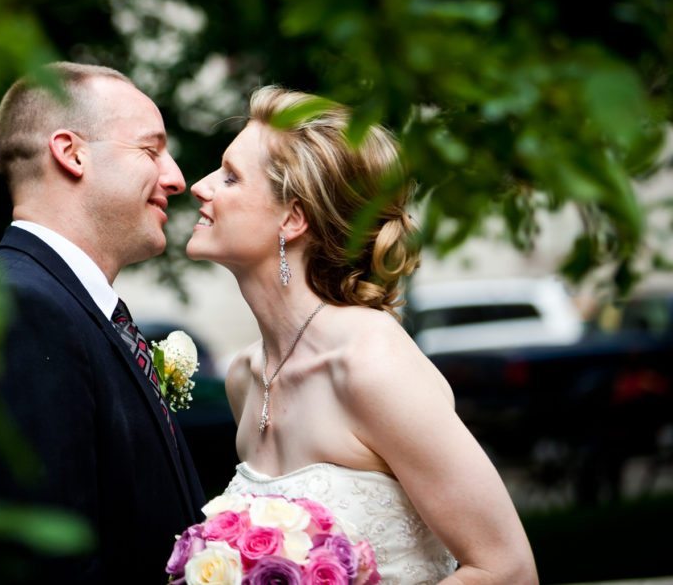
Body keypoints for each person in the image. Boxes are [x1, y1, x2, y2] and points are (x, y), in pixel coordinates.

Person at [186, 86, 537, 584]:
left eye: (230, 176)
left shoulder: (369, 360)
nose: (200, 186)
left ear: (292, 218)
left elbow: (509, 569)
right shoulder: (246, 376)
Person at [0, 63, 205, 581]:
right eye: (151, 149)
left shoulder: (65, 304)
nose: (176, 178)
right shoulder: (18, 310)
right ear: (71, 153)